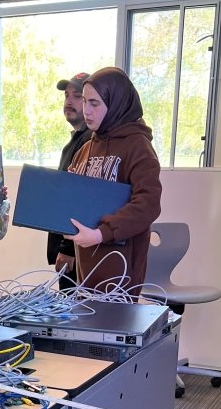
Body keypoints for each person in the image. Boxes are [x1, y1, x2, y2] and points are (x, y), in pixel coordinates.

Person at [66, 67, 161, 298]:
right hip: (86, 273)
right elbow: (70, 197)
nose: (86, 110)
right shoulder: (85, 148)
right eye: (85, 101)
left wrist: (102, 233)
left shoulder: (137, 146)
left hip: (122, 275)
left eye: (94, 103)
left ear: (115, 103)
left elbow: (148, 205)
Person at [47, 72, 92, 288]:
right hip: (73, 251)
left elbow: (81, 200)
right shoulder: (76, 141)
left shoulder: (90, 143)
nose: (69, 102)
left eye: (77, 96)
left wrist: (67, 249)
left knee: (74, 316)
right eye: (66, 96)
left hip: (78, 253)